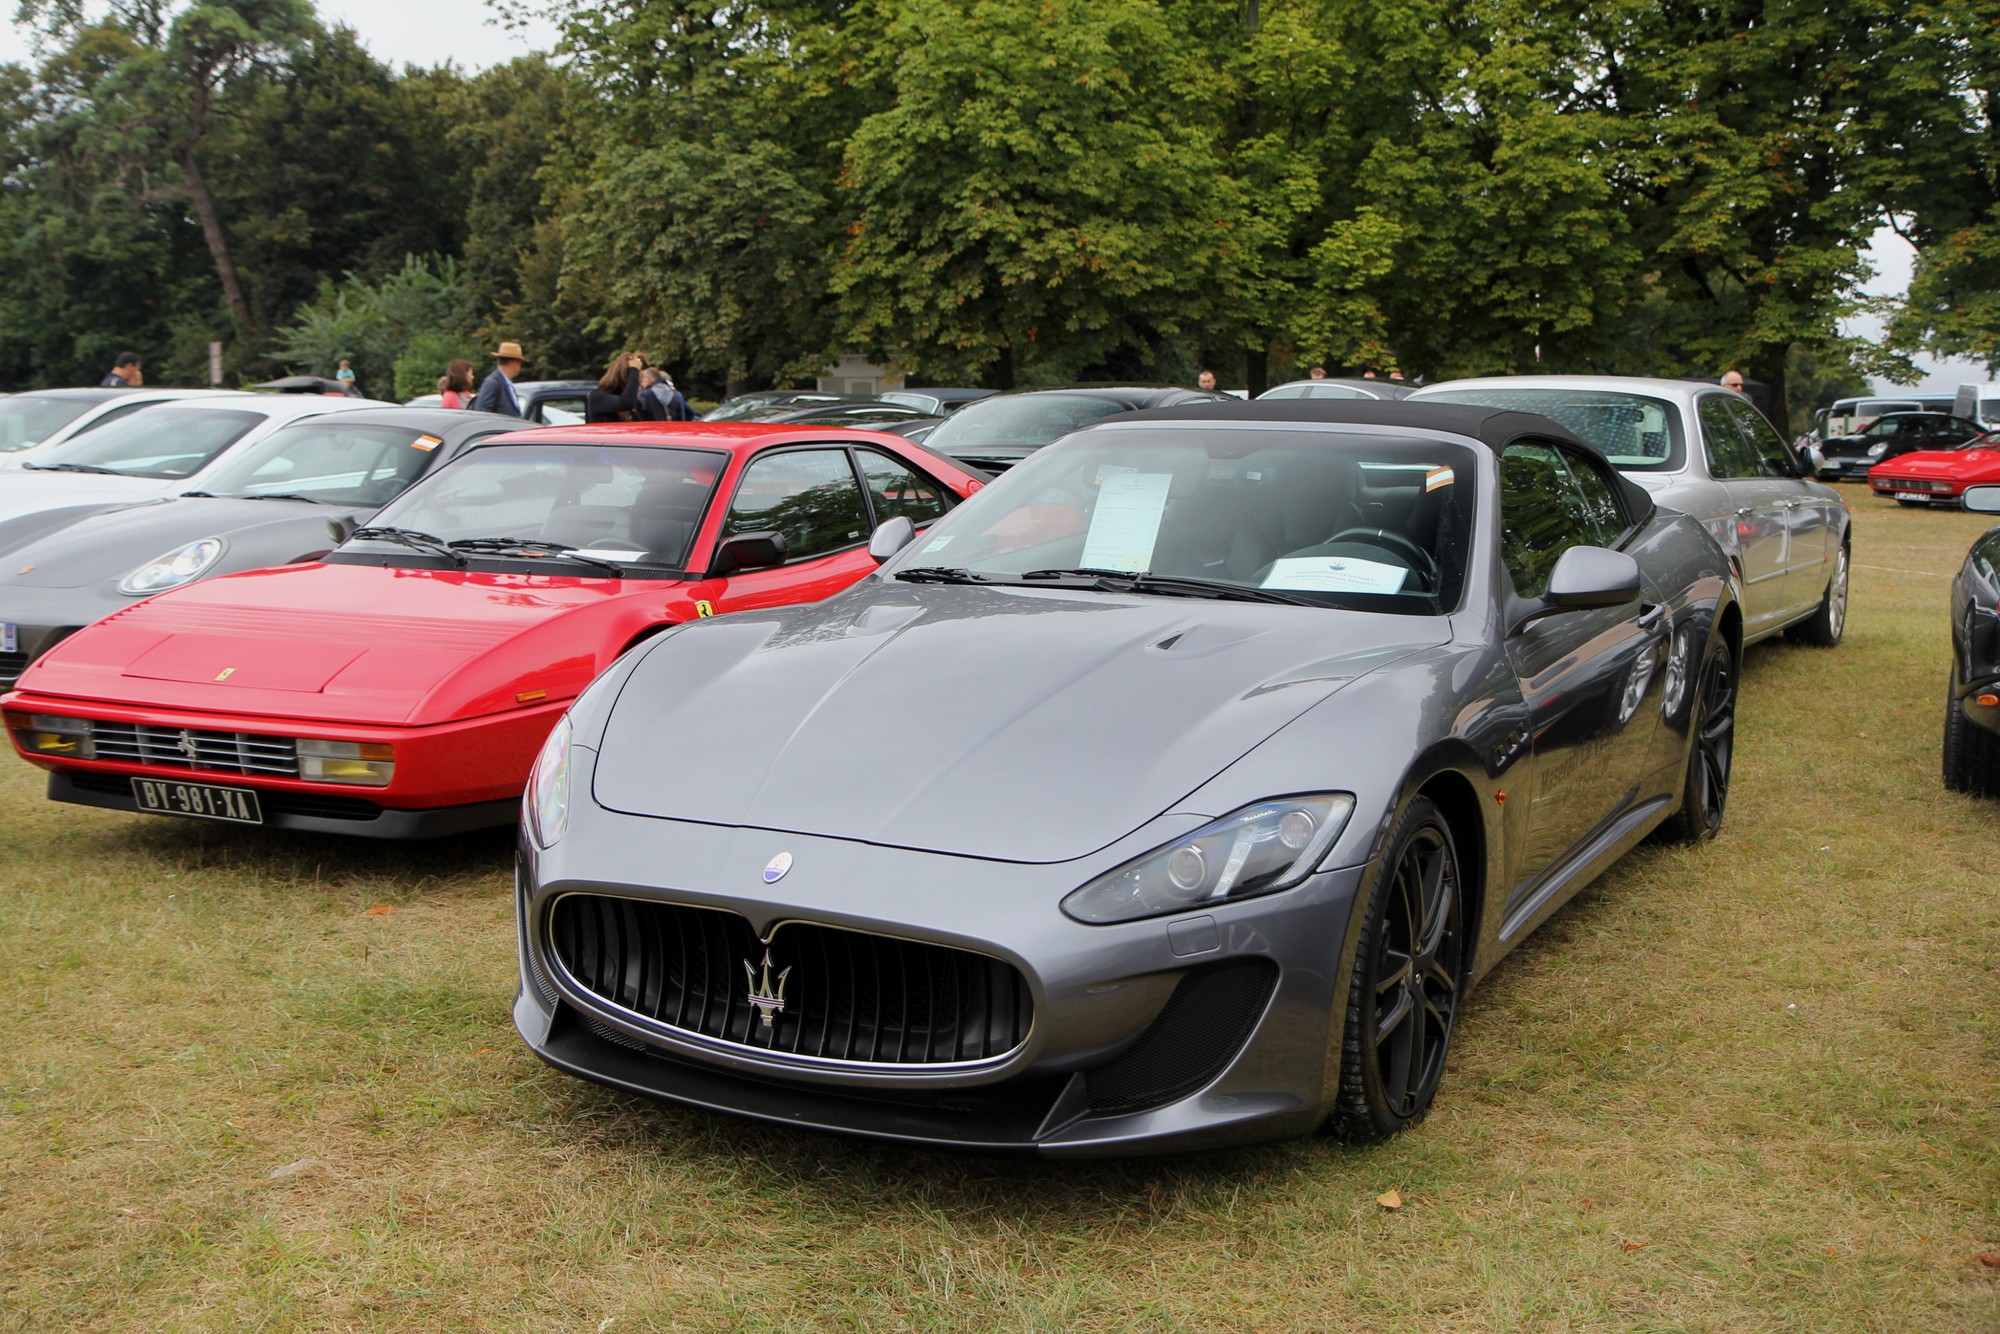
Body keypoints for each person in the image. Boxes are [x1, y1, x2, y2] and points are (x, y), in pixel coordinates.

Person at [586, 351, 646, 423]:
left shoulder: (632, 400)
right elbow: (626, 403)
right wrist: (634, 369)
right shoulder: (597, 396)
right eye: (636, 382)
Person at [472, 341, 527, 417]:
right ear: (514, 362)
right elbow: (482, 412)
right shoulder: (493, 383)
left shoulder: (506, 383)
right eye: (520, 363)